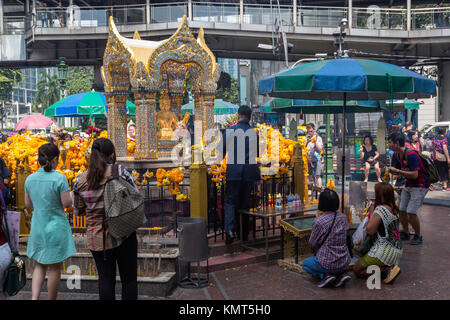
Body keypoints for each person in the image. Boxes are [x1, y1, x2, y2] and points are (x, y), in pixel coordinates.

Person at [73, 138, 138, 300]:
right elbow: (136, 197)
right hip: (124, 234)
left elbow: (77, 211)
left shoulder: (80, 181)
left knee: (105, 280)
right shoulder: (120, 172)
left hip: (97, 238)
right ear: (111, 156)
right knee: (129, 279)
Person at [25, 143, 76, 300]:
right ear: (55, 159)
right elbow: (66, 203)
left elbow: (28, 205)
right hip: (55, 227)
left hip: (38, 226)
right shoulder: (59, 178)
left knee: (39, 264)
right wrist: (73, 194)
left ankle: (34, 297)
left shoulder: (30, 179)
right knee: (54, 267)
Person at [222, 105, 260, 244]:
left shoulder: (230, 131)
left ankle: (230, 230)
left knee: (231, 202)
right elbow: (256, 153)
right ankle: (244, 233)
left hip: (233, 172)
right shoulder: (254, 133)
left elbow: (221, 151)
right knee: (245, 203)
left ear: (238, 116)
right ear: (250, 117)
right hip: (249, 172)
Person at [353, 182, 402, 284]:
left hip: (383, 251)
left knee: (357, 270)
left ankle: (388, 269)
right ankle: (386, 267)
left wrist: (372, 212)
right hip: (396, 250)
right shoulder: (394, 209)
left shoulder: (380, 209)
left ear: (380, 195)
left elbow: (370, 230)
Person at [302, 188, 351, 288]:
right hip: (344, 261)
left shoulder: (319, 221)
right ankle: (340, 274)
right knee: (336, 267)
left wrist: (317, 219)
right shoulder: (343, 217)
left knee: (305, 264)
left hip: (327, 263)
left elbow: (312, 242)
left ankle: (325, 276)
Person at [389, 132, 429, 245]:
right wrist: (391, 172)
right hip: (409, 184)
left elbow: (415, 175)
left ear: (397, 143)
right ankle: (405, 232)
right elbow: (398, 173)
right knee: (401, 209)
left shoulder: (411, 155)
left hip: (420, 185)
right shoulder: (396, 155)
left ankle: (418, 235)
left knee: (411, 212)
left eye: (390, 142)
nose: (389, 145)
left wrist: (398, 172)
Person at [306, 123, 323, 189]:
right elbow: (303, 148)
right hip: (308, 159)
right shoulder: (305, 138)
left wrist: (315, 142)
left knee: (317, 175)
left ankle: (319, 190)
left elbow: (320, 149)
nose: (309, 133)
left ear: (314, 130)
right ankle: (310, 190)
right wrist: (307, 142)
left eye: (311, 131)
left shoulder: (318, 138)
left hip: (316, 158)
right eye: (308, 131)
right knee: (309, 175)